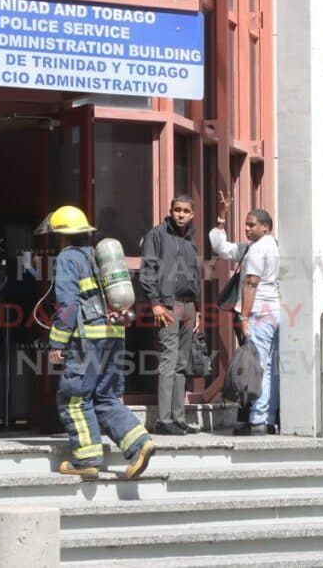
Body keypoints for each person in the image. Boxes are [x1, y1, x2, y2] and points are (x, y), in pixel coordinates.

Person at [38, 205, 156, 479]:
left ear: (60, 235)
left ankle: (86, 459)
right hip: (114, 334)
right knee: (106, 397)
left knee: (75, 398)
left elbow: (67, 305)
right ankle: (140, 444)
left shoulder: (68, 258)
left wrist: (56, 343)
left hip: (86, 339)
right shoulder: (98, 257)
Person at [209, 191, 280, 436]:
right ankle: (267, 417)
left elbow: (251, 282)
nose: (247, 229)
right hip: (272, 310)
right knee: (269, 366)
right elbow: (222, 248)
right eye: (246, 225)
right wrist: (222, 217)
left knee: (257, 366)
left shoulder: (259, 250)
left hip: (259, 312)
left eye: (252, 225)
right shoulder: (261, 246)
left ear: (266, 227)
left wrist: (245, 317)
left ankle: (258, 420)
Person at [141, 195, 202, 436]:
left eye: (186, 211)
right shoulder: (157, 234)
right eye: (177, 210)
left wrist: (197, 310)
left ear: (192, 215)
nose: (181, 214)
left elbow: (195, 276)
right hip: (168, 306)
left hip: (188, 307)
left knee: (181, 365)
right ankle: (163, 420)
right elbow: (148, 270)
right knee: (168, 361)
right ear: (170, 210)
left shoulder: (189, 240)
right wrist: (155, 303)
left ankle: (178, 418)